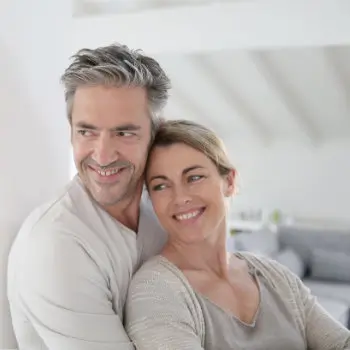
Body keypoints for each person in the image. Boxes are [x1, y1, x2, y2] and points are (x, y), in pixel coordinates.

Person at [125, 119, 350, 350]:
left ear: (229, 181)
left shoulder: (276, 277)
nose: (180, 198)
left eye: (194, 177)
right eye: (161, 186)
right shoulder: (154, 291)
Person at [7, 43, 171, 350]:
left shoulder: (162, 213)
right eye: (87, 132)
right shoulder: (57, 244)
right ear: (71, 132)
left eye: (124, 133)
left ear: (155, 133)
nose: (104, 155)